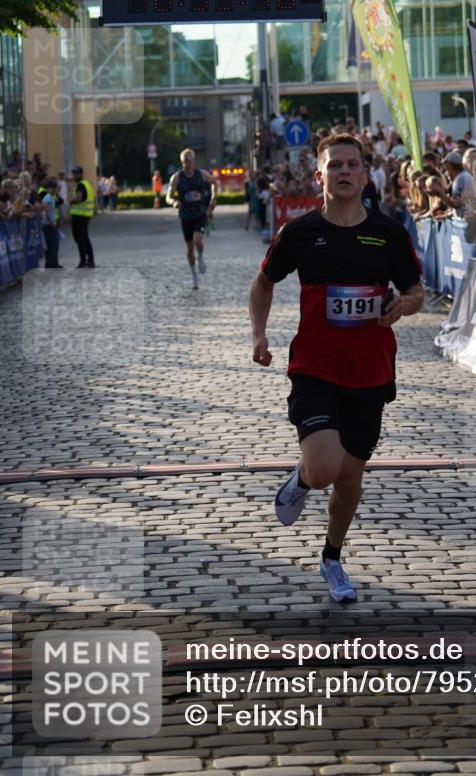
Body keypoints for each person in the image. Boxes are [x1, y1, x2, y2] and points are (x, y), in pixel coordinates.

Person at [248, 134, 423, 603]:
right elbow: (263, 282)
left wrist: (402, 305)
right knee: (325, 468)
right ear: (319, 175)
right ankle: (304, 478)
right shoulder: (300, 232)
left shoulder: (388, 233)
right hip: (315, 366)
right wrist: (259, 334)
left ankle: (332, 557)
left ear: (365, 174)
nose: (344, 172)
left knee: (349, 480)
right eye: (335, 165)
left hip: (370, 370)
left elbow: (416, 291)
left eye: (352, 165)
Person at [166, 148, 217, 290]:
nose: (188, 162)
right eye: (186, 160)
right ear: (182, 162)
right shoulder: (177, 177)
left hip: (200, 213)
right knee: (189, 247)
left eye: (191, 159)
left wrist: (213, 198)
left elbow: (214, 183)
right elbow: (168, 196)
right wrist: (174, 202)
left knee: (198, 240)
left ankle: (200, 256)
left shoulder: (201, 174)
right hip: (185, 215)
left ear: (194, 160)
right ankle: (194, 274)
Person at [70, 165, 96, 268]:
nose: (74, 176)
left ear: (80, 174)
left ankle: (83, 261)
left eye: (75, 174)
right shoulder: (87, 184)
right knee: (85, 238)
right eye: (73, 174)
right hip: (86, 215)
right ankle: (90, 260)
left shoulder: (80, 185)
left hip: (79, 216)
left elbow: (78, 198)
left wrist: (70, 201)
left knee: (79, 239)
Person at [37, 178, 61, 268]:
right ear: (50, 188)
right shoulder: (48, 197)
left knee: (52, 245)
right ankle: (52, 264)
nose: (55, 190)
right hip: (49, 225)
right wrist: (52, 223)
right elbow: (46, 211)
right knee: (53, 245)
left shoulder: (50, 197)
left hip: (49, 224)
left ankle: (52, 263)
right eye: (54, 188)